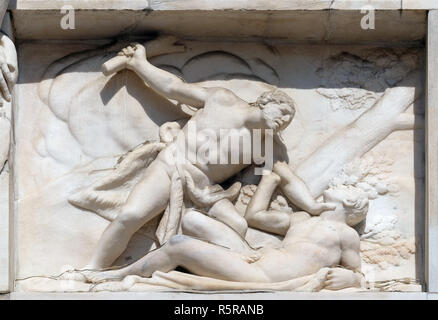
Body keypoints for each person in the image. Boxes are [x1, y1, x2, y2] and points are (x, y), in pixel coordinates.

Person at [85, 43, 335, 269]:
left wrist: (311, 205)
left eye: (287, 121)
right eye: (281, 113)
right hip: (172, 167)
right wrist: (140, 64)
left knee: (237, 226)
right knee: (130, 216)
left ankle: (202, 268)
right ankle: (91, 270)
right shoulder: (221, 99)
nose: (282, 122)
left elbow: (287, 179)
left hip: (205, 189)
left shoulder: (264, 145)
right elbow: (174, 88)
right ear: (265, 102)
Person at [85, 172, 366, 291]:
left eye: (345, 187)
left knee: (179, 244)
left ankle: (115, 274)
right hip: (254, 257)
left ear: (351, 203)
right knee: (194, 219)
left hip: (263, 275)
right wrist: (269, 179)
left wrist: (350, 278)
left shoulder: (345, 234)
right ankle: (125, 270)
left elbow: (359, 275)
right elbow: (254, 216)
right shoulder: (301, 219)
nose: (338, 184)